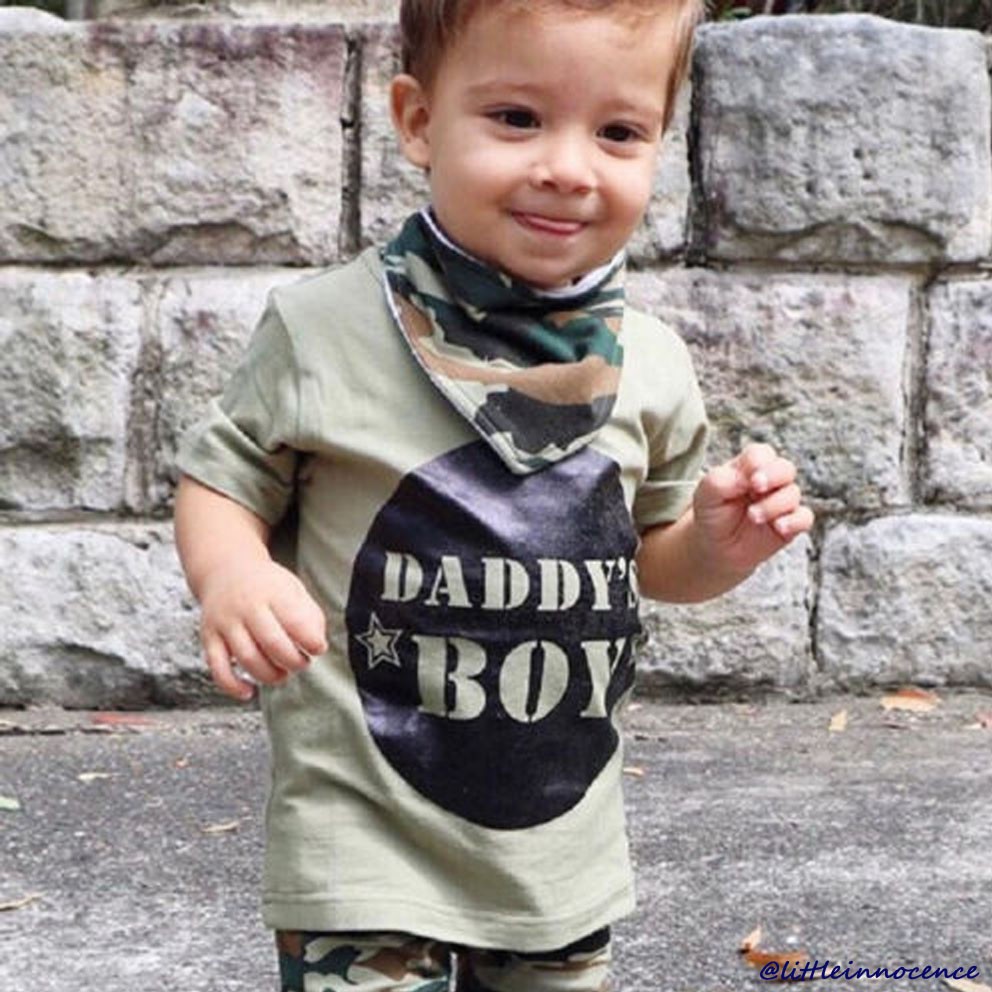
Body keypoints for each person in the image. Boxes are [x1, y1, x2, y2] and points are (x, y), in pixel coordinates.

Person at [173, 1, 815, 989]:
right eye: (517, 118)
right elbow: (222, 477)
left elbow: (650, 556)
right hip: (363, 840)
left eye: (617, 132)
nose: (567, 166)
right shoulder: (321, 330)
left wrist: (713, 547)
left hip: (553, 854)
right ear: (418, 120)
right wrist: (233, 574)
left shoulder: (649, 363)